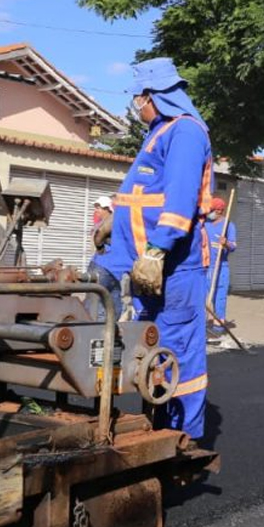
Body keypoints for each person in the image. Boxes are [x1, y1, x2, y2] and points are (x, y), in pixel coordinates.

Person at [105, 57, 214, 440]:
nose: (137, 106)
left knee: (178, 352)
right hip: (149, 267)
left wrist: (156, 251)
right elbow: (143, 195)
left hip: (175, 269)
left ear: (152, 95)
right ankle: (158, 428)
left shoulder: (184, 133)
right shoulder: (160, 133)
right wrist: (112, 223)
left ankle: (185, 439)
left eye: (138, 98)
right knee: (153, 351)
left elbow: (180, 200)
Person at [86, 195, 123, 321]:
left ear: (108, 209)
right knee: (100, 306)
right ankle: (98, 334)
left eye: (99, 208)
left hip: (109, 269)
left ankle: (104, 333)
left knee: (111, 305)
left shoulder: (112, 221)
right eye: (96, 208)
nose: (96, 211)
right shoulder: (102, 224)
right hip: (103, 266)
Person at [205, 196, 237, 337]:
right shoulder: (204, 224)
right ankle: (206, 322)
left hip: (221, 266)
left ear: (219, 211)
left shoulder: (228, 225)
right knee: (206, 298)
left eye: (211, 210)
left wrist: (226, 243)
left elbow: (233, 246)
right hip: (206, 266)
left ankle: (219, 326)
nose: (209, 213)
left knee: (220, 297)